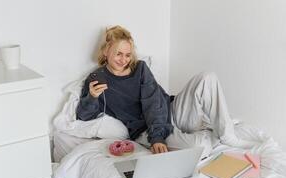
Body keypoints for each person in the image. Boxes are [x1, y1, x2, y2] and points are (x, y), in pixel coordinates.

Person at [76, 25, 252, 156]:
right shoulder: (97, 79)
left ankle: (227, 135)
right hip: (147, 132)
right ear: (107, 51)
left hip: (172, 111)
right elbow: (84, 116)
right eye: (118, 54)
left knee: (208, 77)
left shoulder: (140, 69)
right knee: (201, 148)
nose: (124, 60)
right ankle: (209, 131)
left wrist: (158, 136)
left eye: (128, 55)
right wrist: (91, 97)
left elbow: (153, 102)